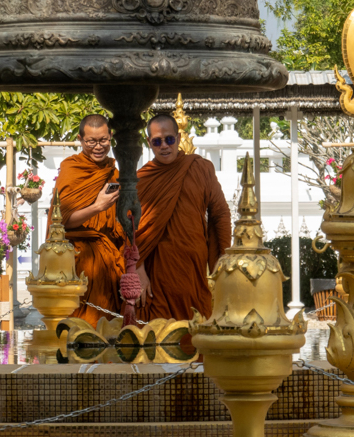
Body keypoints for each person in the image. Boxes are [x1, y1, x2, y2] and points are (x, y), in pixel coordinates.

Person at [134, 113, 232, 321]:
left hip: (192, 267)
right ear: (149, 143)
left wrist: (222, 262)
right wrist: (138, 268)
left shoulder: (200, 168)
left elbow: (220, 213)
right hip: (156, 270)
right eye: (157, 141)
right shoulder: (142, 179)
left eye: (169, 139)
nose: (164, 146)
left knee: (195, 328)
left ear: (178, 139)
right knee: (157, 334)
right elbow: (128, 227)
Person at [48, 114, 126, 325]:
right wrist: (98, 207)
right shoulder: (71, 168)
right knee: (80, 329)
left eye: (103, 140)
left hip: (108, 261)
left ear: (110, 137)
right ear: (80, 139)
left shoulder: (113, 171)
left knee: (108, 329)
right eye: (91, 141)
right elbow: (60, 221)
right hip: (78, 262)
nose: (98, 147)